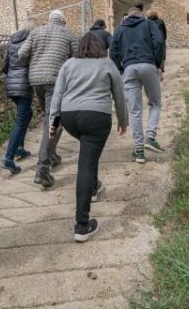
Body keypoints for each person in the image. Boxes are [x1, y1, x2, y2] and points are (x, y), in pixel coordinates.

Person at [48, 33, 128, 241]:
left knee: (88, 156)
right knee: (86, 163)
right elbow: (119, 94)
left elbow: (58, 94)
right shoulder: (107, 63)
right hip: (96, 116)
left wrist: (53, 122)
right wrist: (123, 120)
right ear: (100, 47)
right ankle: (82, 225)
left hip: (70, 118)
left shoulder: (69, 64)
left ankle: (94, 186)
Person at [18, 9, 79, 189]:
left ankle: (51, 156)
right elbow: (77, 60)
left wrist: (35, 63)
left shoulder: (36, 32)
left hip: (36, 81)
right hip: (56, 82)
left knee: (48, 118)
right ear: (64, 22)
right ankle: (42, 170)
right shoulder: (69, 34)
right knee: (56, 123)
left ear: (50, 19)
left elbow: (21, 55)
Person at [110, 4, 164, 164]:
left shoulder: (120, 30)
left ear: (127, 16)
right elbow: (159, 43)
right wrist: (156, 63)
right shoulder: (149, 24)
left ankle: (139, 151)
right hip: (148, 65)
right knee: (155, 103)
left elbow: (112, 52)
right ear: (141, 15)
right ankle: (151, 137)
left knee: (135, 110)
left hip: (129, 68)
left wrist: (121, 68)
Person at [0, 29, 33, 174]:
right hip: (24, 85)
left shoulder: (10, 42)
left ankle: (20, 147)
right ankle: (8, 157)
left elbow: (4, 66)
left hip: (11, 84)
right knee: (20, 120)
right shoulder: (29, 42)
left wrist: (12, 77)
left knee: (28, 113)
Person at [146, 10, 167, 74]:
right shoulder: (161, 21)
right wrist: (164, 39)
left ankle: (152, 70)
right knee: (162, 55)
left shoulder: (146, 22)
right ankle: (160, 69)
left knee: (152, 54)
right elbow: (164, 31)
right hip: (161, 40)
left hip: (151, 40)